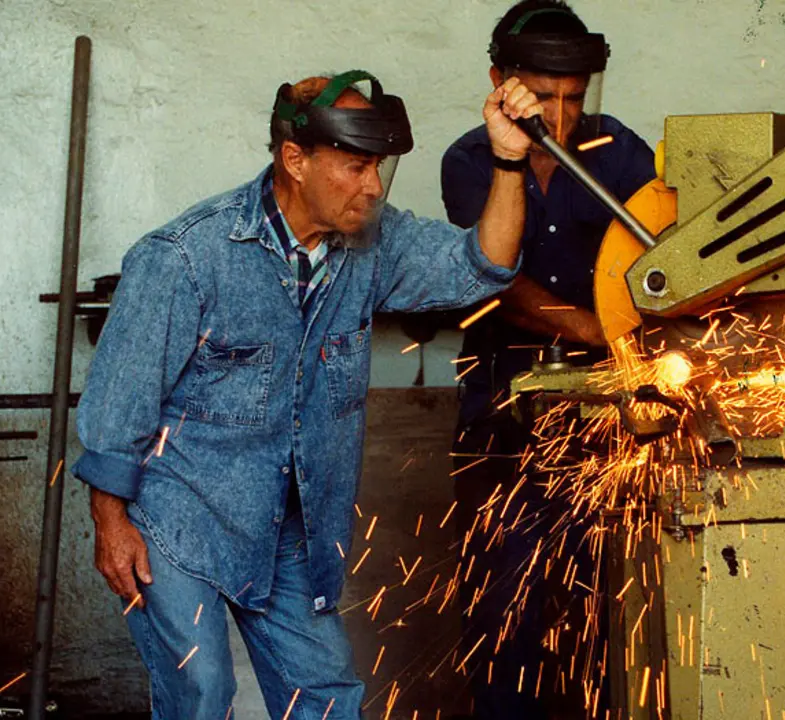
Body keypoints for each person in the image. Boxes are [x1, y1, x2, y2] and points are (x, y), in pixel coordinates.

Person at [73, 69, 542, 719]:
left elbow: (483, 264)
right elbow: (120, 402)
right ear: (295, 159)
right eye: (355, 166)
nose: (373, 186)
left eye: (378, 167)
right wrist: (110, 523)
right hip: (178, 520)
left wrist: (509, 160)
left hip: (289, 526)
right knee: (202, 690)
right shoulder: (186, 255)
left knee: (326, 696)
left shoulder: (372, 244)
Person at [441, 2, 657, 716]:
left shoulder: (621, 154)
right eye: (546, 97)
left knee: (608, 590)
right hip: (505, 403)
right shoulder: (472, 160)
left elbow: (661, 257)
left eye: (575, 98)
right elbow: (497, 281)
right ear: (502, 81)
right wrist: (596, 329)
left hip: (605, 408)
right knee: (506, 592)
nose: (562, 119)